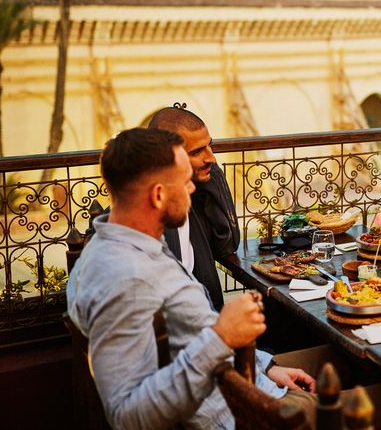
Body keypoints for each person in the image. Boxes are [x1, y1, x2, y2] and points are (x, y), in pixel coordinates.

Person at [67, 128, 314, 429]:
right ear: (158, 194)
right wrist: (221, 337)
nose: (193, 190)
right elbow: (127, 416)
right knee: (380, 388)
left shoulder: (133, 244)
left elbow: (192, 331)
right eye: (185, 183)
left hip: (256, 388)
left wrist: (266, 368)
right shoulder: (125, 278)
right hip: (249, 417)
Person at [148, 104, 241, 310]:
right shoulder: (155, 220)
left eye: (210, 145)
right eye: (197, 151)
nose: (212, 158)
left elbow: (227, 243)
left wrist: (210, 173)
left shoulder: (191, 199)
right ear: (167, 158)